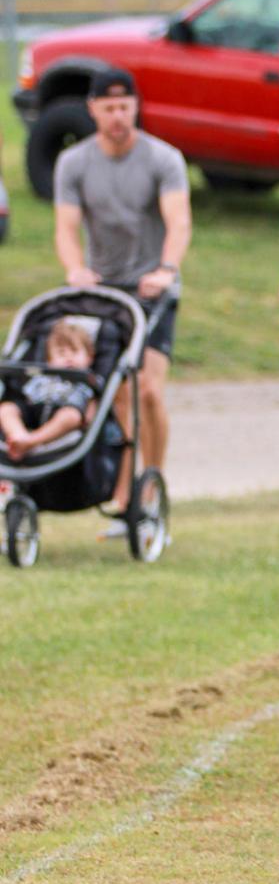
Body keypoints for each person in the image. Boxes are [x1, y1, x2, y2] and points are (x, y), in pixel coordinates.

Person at [53, 66, 191, 535]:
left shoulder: (163, 159)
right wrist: (76, 270)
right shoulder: (74, 164)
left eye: (125, 106)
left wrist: (166, 269)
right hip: (102, 290)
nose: (117, 116)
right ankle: (125, 492)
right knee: (119, 395)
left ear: (136, 107)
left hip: (154, 291)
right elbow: (66, 228)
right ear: (92, 109)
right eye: (108, 107)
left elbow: (179, 222)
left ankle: (152, 493)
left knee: (148, 390)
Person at [0, 320, 97, 461]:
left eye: (75, 351)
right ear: (49, 360)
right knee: (6, 408)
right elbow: (25, 395)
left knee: (71, 416)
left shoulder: (90, 380)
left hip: (64, 413)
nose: (68, 358)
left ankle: (31, 441)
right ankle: (18, 436)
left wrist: (90, 412)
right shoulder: (41, 376)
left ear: (89, 357)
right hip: (34, 408)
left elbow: (94, 405)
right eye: (61, 353)